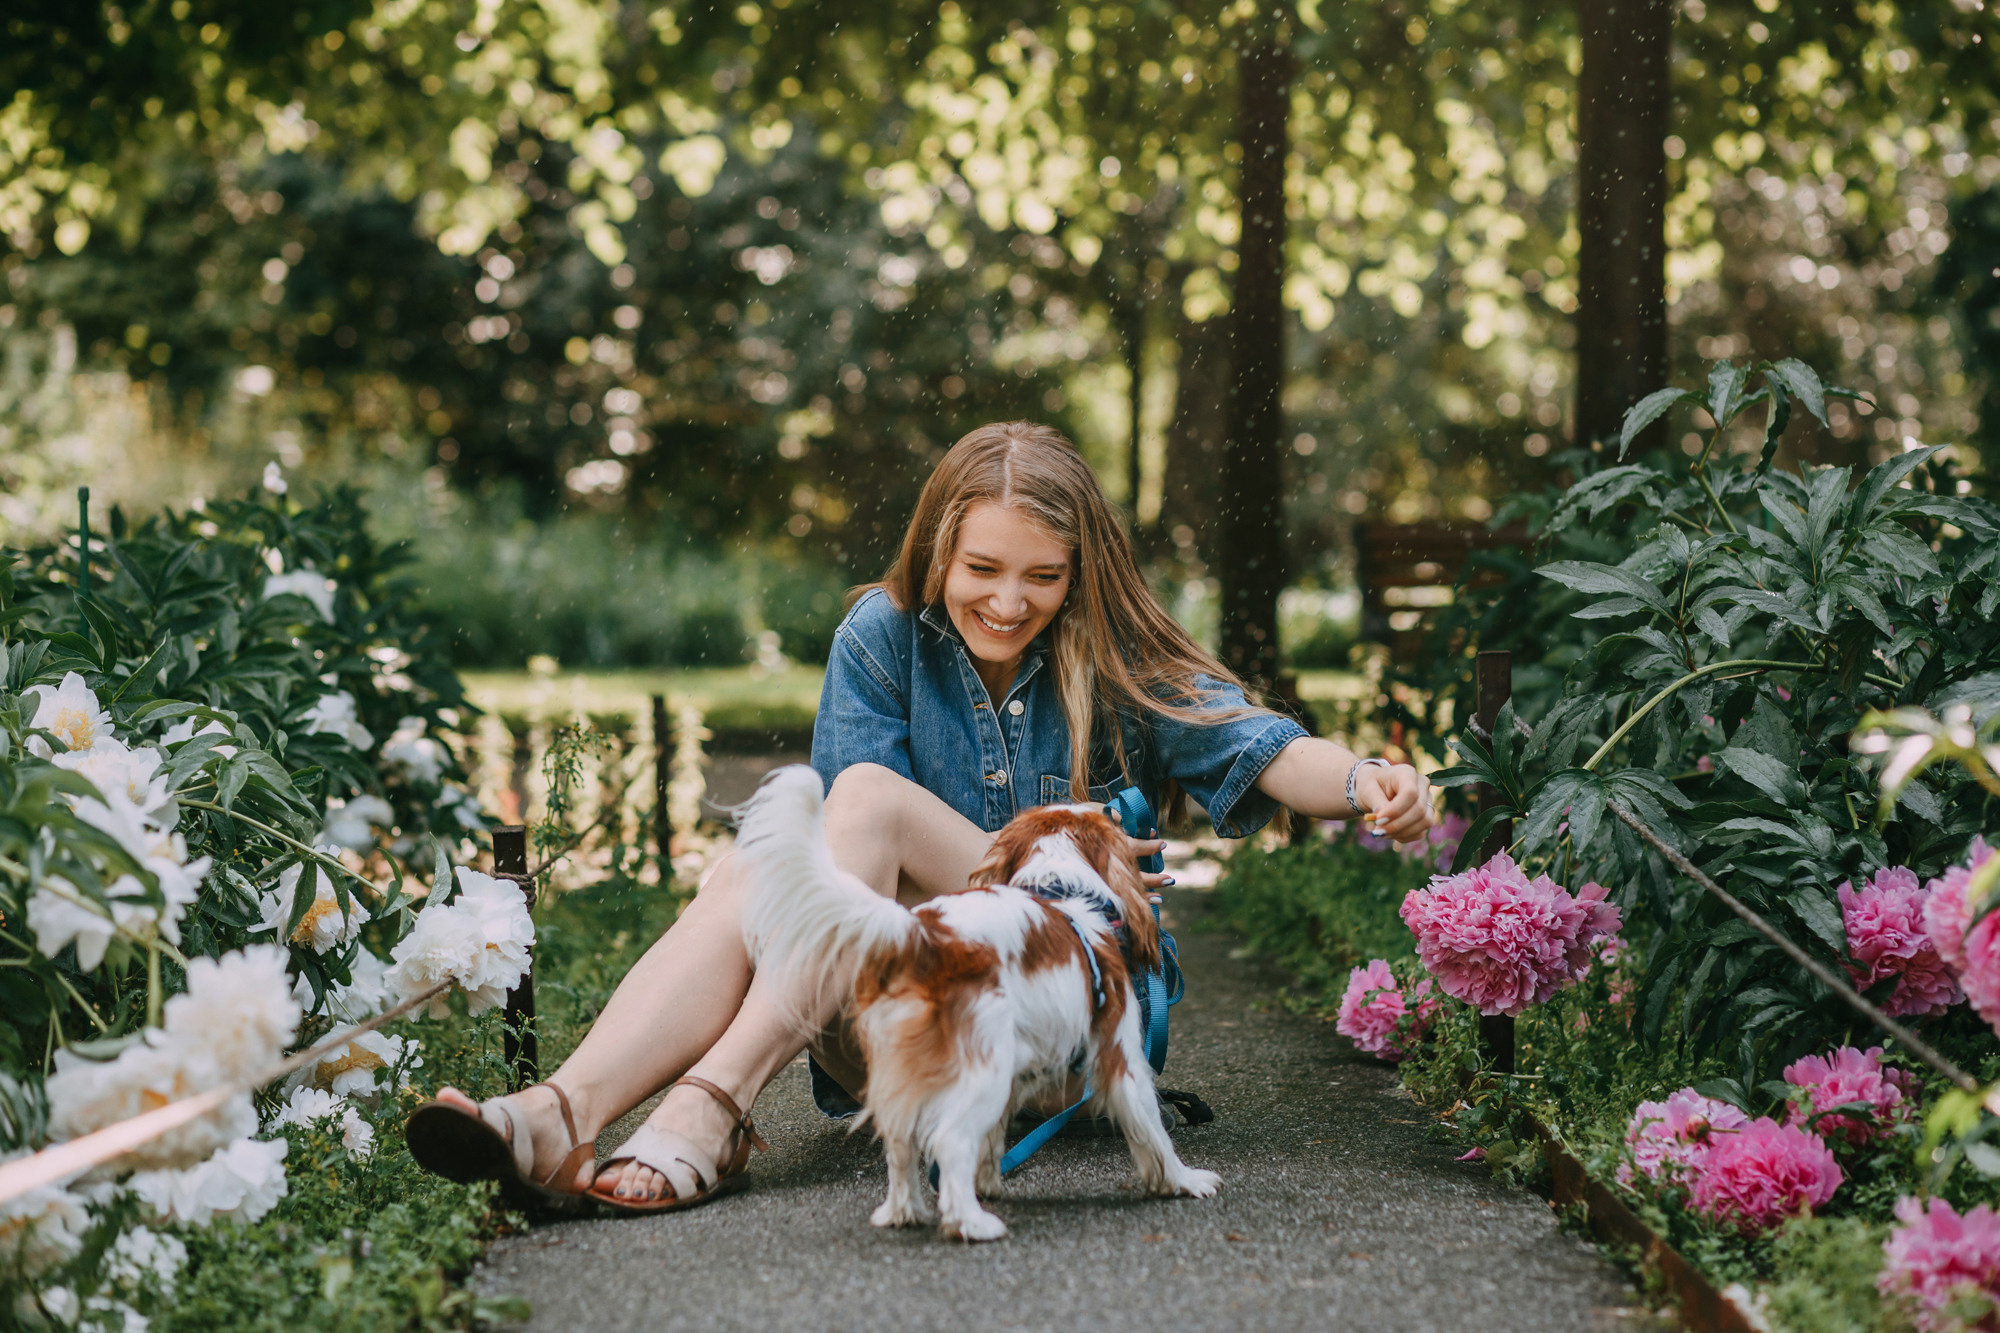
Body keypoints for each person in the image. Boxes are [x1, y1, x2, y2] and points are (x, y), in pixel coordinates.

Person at [408, 422, 1434, 1212]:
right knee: (768, 867)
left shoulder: (1114, 652)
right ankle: (563, 1113)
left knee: (850, 809)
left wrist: (1364, 780)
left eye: (1042, 575)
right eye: (981, 569)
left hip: (1045, 1030)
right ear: (937, 548)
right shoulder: (881, 635)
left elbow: (1258, 742)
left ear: (1078, 572)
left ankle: (702, 1105)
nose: (1008, 599)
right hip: (883, 1015)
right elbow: (839, 879)